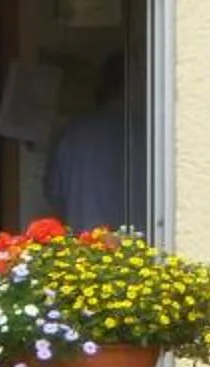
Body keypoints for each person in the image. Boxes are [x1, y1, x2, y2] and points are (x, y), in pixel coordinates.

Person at [44, 54, 131, 234]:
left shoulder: (72, 133)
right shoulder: (149, 133)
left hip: (86, 250)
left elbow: (54, 194)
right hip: (141, 251)